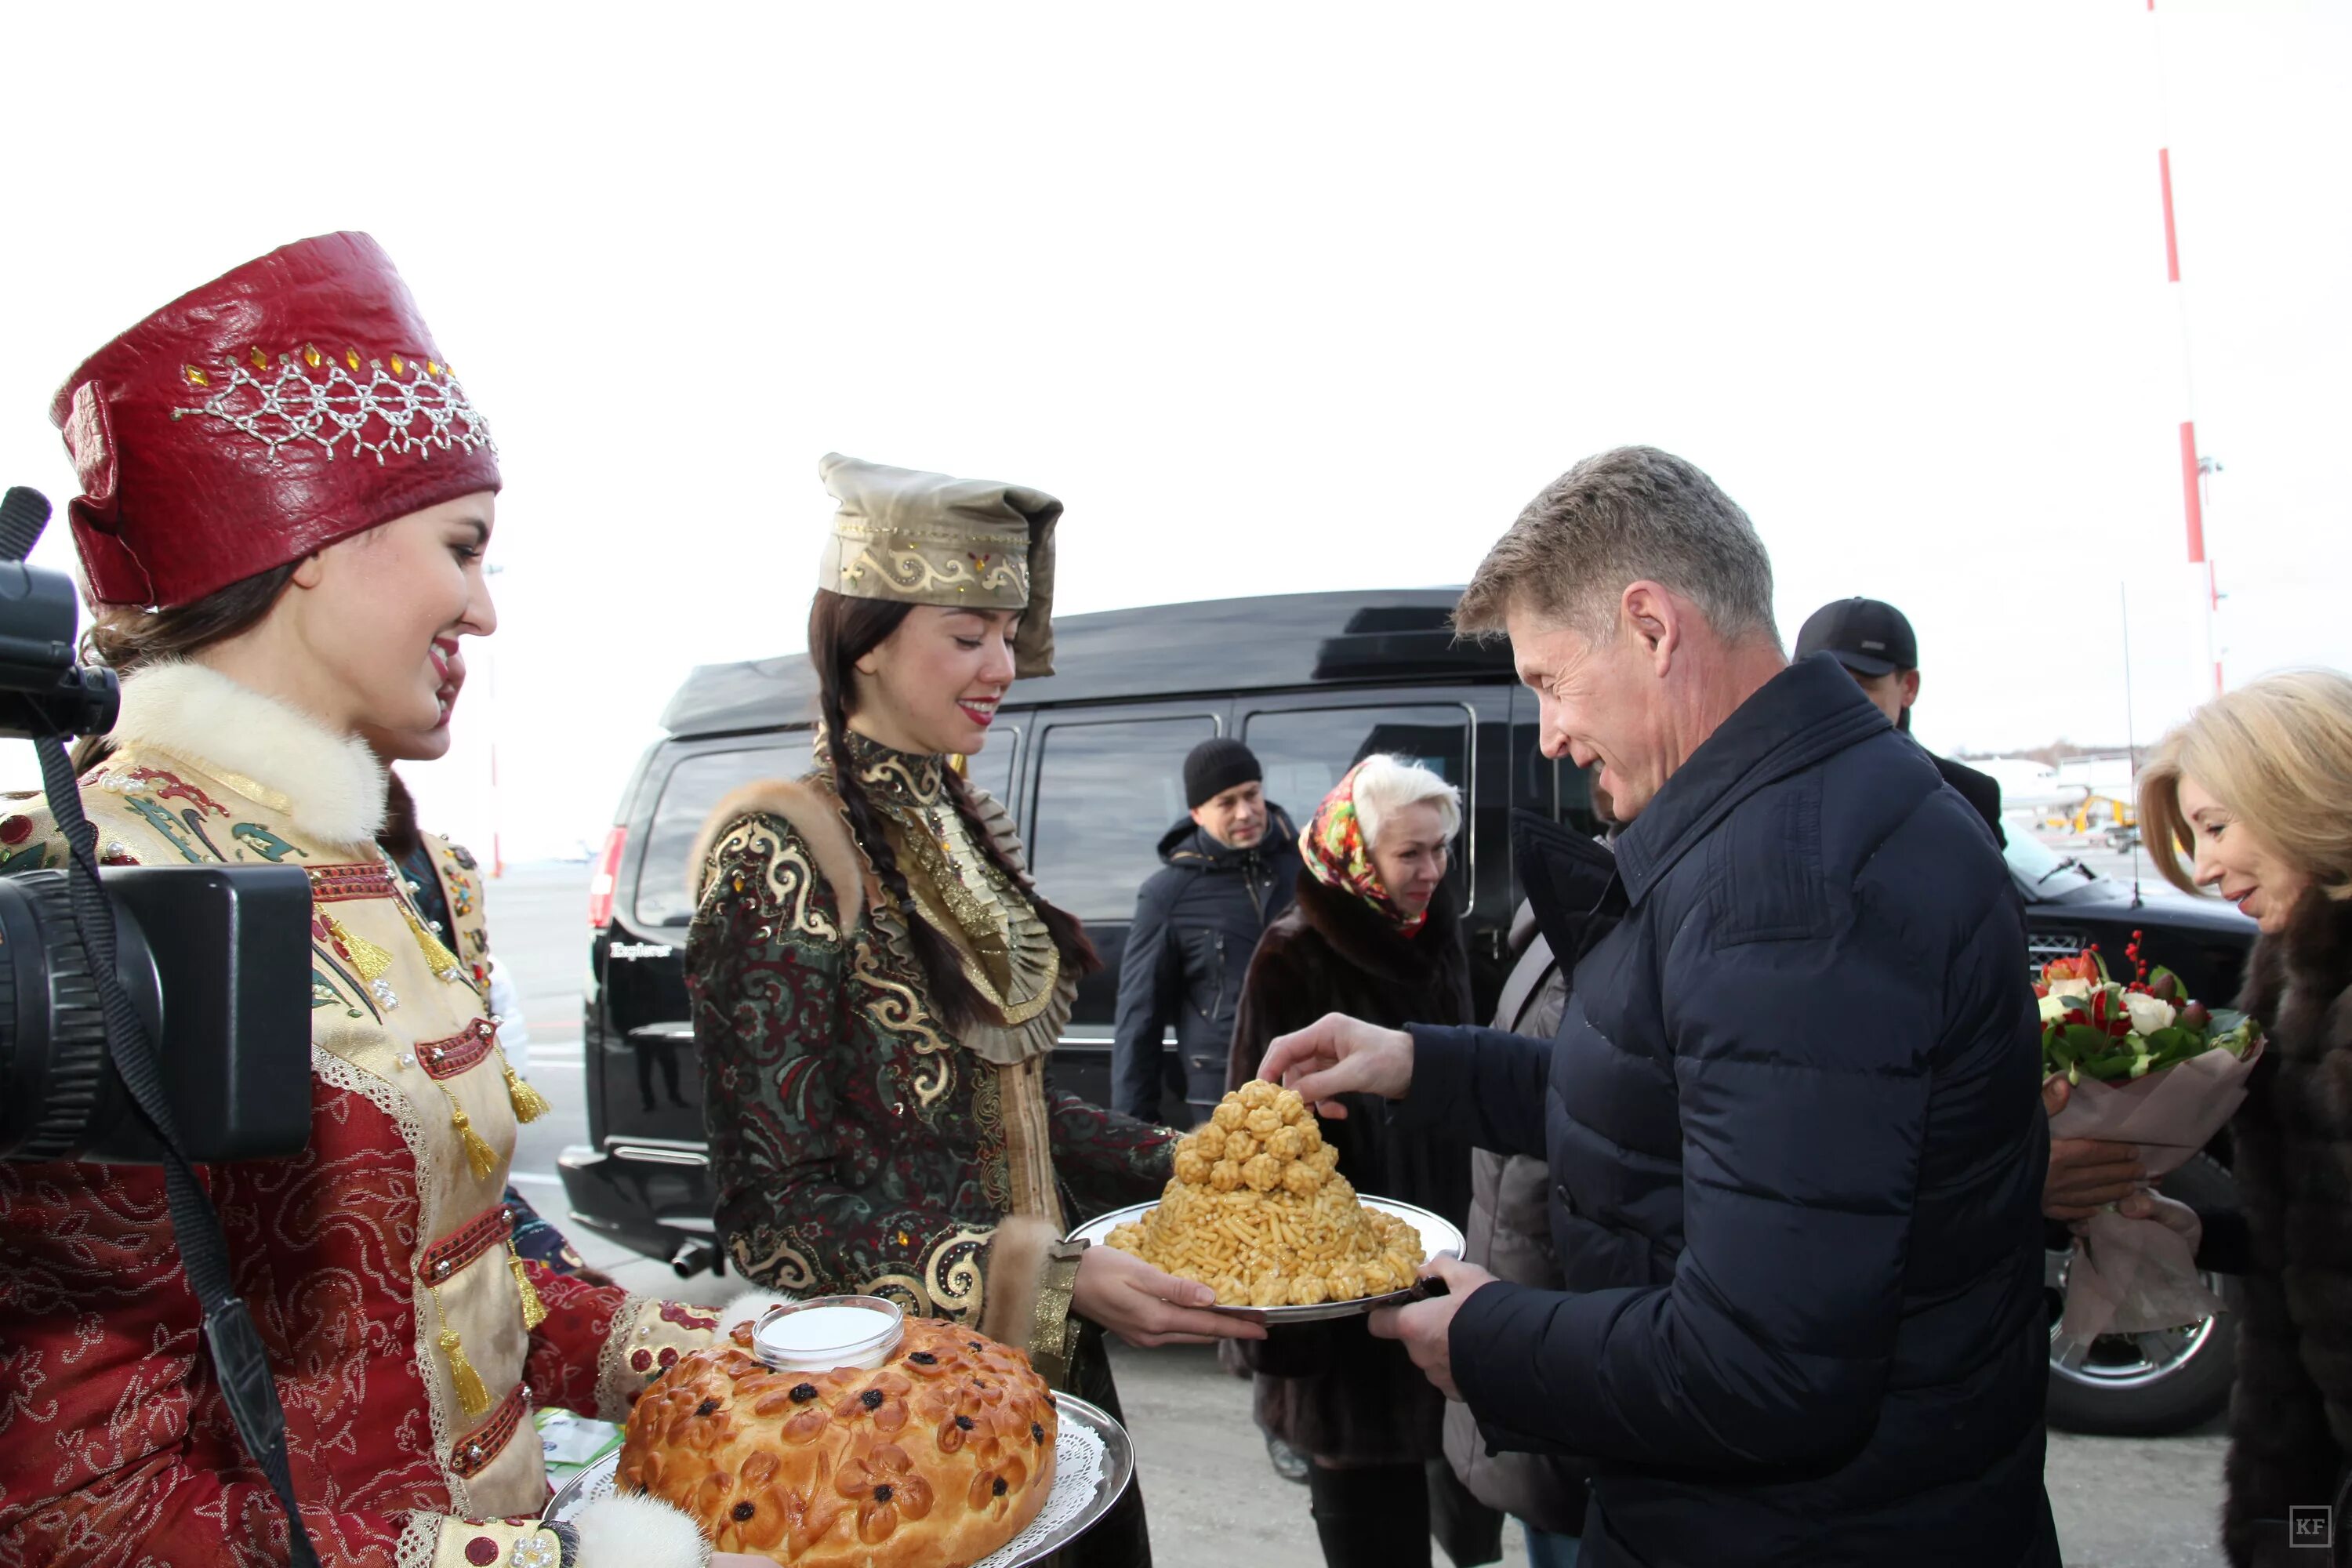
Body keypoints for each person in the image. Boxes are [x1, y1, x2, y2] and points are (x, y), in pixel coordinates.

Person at [0, 234, 779, 1567]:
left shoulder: (359, 862)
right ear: (313, 542)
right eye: (463, 548)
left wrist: (705, 1360)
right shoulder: (96, 889)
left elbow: (454, 1262)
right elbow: (78, 1503)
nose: (481, 609)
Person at [1261, 446, 2059, 1566]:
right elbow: (1663, 1100)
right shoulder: (1790, 817)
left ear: (1651, 625)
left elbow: (1764, 1368)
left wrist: (1486, 1335)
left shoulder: (1792, 893)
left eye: (1549, 680)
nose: (1548, 736)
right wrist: (1415, 1062)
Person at [685, 453, 1265, 1568]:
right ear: (864, 637)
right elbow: (773, 1215)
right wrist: (1043, 1275)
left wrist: (1194, 1162)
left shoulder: (956, 822)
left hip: (1051, 1375)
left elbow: (1005, 1114)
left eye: (1010, 633)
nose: (1003, 665)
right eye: (967, 635)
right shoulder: (779, 850)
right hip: (895, 1425)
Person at [1221, 756, 1491, 1568]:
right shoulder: (1294, 954)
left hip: (1441, 1266)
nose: (1433, 870)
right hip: (1339, 1315)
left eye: (1441, 848)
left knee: (1471, 1520)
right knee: (1374, 1534)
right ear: (1356, 850)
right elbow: (1252, 1147)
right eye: (1411, 853)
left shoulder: (1432, 935)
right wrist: (1281, 1333)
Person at [2133, 670, 2352, 1566]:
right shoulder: (2291, 977)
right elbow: (2310, 1234)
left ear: (2301, 789)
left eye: (2216, 827)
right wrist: (2191, 1229)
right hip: (2309, 1484)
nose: (2203, 867)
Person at [1112, 735, 1300, 1127]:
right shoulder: (1167, 896)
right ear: (1198, 812)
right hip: (1224, 1097)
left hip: (1312, 1086)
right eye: (1227, 803)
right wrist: (1131, 1132)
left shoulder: (1307, 872)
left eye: (1252, 795)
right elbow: (1139, 1022)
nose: (1246, 813)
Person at [1794, 595, 2005, 843]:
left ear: (1909, 688)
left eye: (1859, 686)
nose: (1835, 702)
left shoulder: (1970, 797)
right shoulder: (1764, 794)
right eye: (1820, 683)